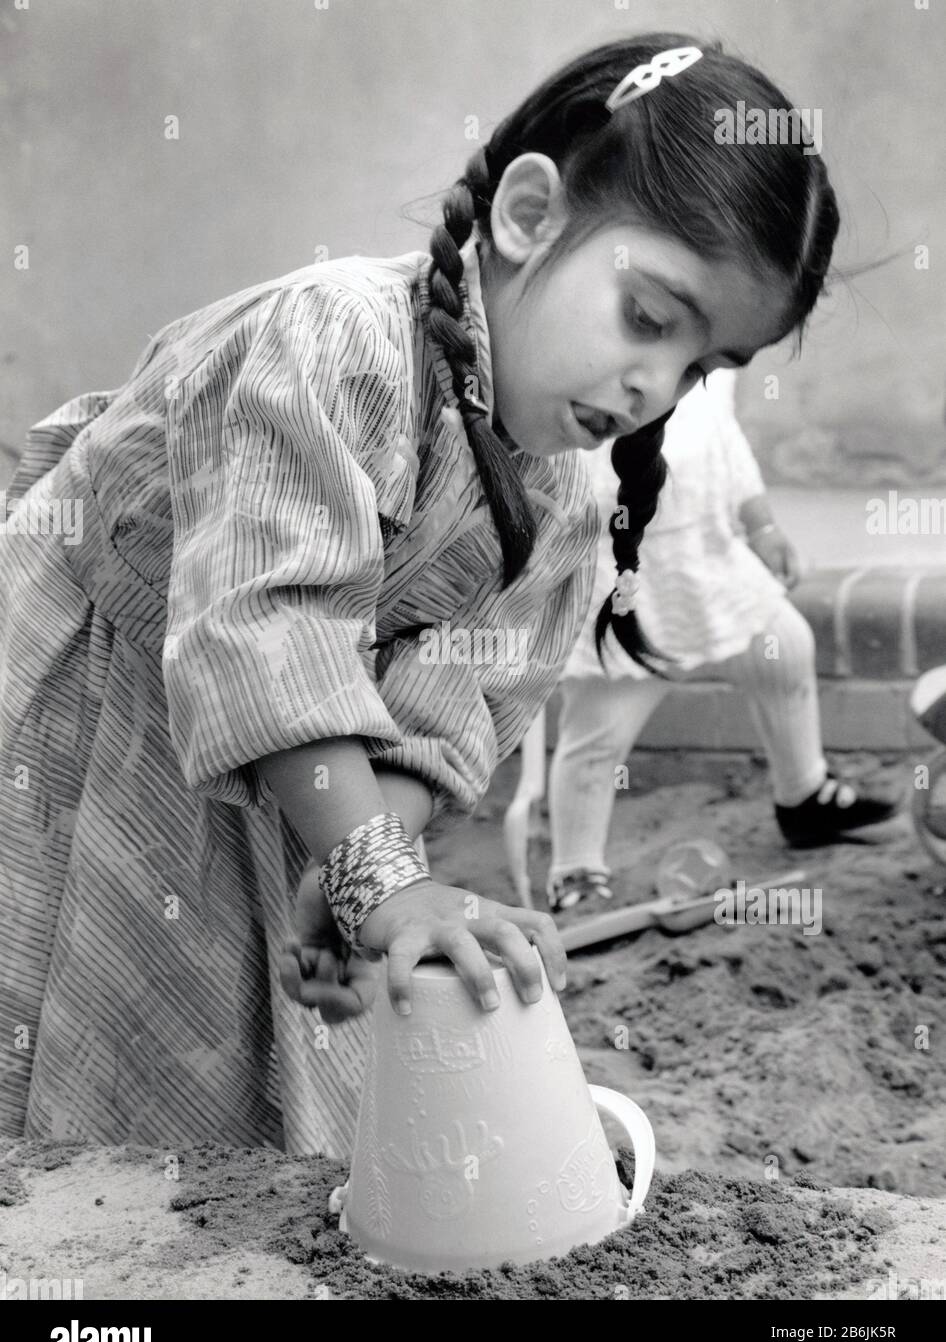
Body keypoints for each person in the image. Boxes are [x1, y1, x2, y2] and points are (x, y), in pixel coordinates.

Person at [0, 34, 839, 1152]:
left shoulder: (567, 503)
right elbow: (265, 626)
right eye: (648, 317)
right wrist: (377, 877)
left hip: (276, 783)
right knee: (49, 1029)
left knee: (196, 1087)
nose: (655, 386)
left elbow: (438, 719)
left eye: (699, 368)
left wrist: (363, 886)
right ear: (530, 215)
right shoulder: (334, 340)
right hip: (81, 723)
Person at [546, 372, 899, 914]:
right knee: (599, 730)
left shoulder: (714, 361)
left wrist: (761, 525)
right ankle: (576, 870)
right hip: (623, 564)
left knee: (783, 646)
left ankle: (803, 795)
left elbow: (725, 437)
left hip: (708, 554)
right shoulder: (611, 364)